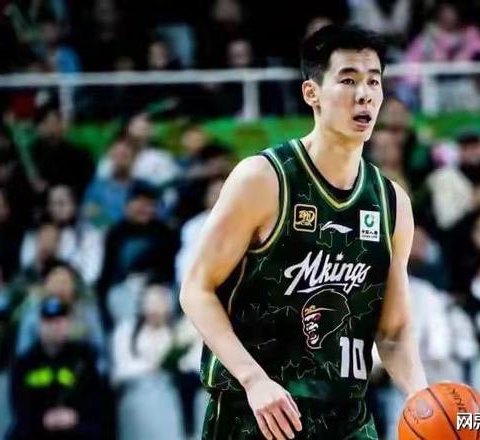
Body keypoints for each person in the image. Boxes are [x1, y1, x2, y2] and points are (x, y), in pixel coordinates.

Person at [180, 25, 427, 440]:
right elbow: (196, 290)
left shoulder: (391, 203)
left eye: (374, 81)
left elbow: (393, 332)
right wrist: (252, 379)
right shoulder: (263, 179)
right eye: (348, 80)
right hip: (257, 412)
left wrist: (421, 395)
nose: (364, 94)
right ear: (312, 93)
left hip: (347, 417)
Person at [9, 297, 104, 440]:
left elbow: (95, 399)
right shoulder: (24, 363)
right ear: (39, 325)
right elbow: (19, 405)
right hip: (37, 428)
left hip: (75, 427)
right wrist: (43, 418)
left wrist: (73, 416)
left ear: (67, 323)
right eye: (49, 322)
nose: (54, 327)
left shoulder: (83, 358)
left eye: (59, 321)